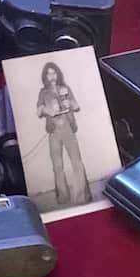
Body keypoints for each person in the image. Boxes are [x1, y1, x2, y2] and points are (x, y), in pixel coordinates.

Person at [36, 62, 89, 206]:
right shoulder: (43, 92)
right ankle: (63, 196)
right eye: (49, 73)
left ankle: (81, 196)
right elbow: (38, 111)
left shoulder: (65, 88)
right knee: (57, 165)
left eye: (54, 73)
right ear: (45, 76)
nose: (52, 76)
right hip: (53, 131)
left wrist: (71, 104)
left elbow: (76, 105)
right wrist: (47, 110)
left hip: (67, 127)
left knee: (76, 162)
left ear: (58, 74)